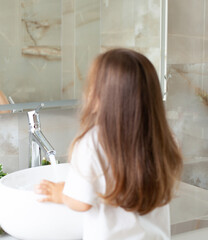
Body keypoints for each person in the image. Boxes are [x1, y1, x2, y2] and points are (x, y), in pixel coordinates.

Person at [36, 48, 183, 239]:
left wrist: (61, 194)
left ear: (100, 97)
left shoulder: (93, 143)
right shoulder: (164, 137)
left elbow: (81, 202)